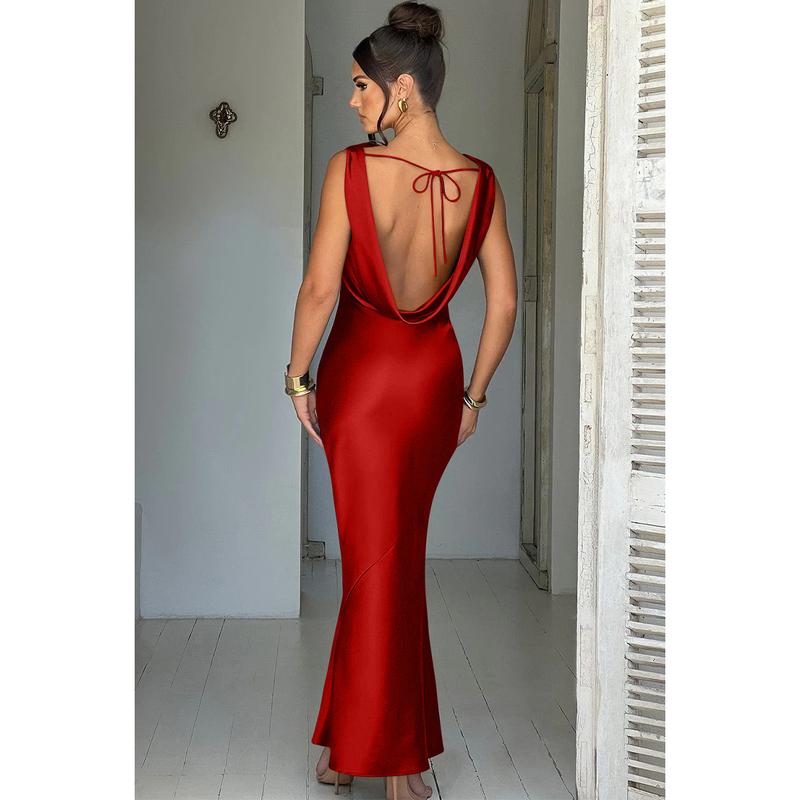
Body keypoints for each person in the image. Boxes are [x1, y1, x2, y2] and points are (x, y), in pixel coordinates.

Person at [284, 3, 517, 798]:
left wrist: (297, 377)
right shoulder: (480, 181)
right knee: (389, 562)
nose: (353, 100)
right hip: (431, 388)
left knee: (373, 565)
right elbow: (505, 302)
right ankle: (350, 744)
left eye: (361, 85)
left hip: (361, 382)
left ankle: (392, 761)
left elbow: (319, 290)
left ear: (403, 89)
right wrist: (474, 398)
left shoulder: (352, 170)